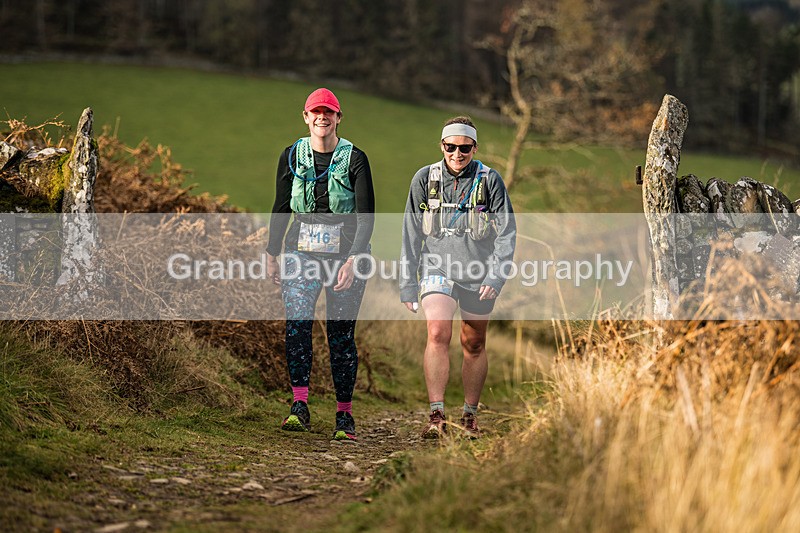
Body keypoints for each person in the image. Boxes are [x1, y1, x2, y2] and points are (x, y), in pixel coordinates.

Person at [266, 88, 375, 441]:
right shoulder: (291, 156)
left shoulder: (356, 158)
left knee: (340, 334)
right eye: (316, 112)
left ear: (338, 118)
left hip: (346, 253)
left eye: (329, 112)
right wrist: (272, 252)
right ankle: (299, 406)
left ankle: (344, 416)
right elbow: (282, 205)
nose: (322, 118)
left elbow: (366, 215)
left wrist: (354, 259)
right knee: (297, 323)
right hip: (301, 251)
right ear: (306, 116)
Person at [400, 116, 516, 439]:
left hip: (478, 273)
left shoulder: (490, 181)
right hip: (436, 267)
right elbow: (410, 233)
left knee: (474, 343)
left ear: (474, 148)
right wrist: (408, 282)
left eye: (464, 148)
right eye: (450, 147)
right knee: (438, 332)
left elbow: (507, 232)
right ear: (442, 145)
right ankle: (436, 415)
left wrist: (496, 277)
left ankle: (469, 416)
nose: (457, 154)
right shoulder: (424, 179)